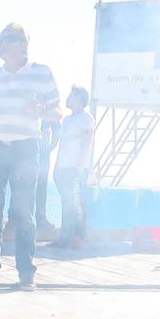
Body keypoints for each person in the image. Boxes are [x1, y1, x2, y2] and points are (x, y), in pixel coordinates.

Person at [0, 23, 61, 290]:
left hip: (26, 149)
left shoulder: (42, 74)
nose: (1, 44)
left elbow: (57, 112)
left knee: (22, 212)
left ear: (23, 44)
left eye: (7, 39)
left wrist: (41, 111)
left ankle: (26, 273)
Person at [52, 85, 94, 249]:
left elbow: (86, 141)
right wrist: (56, 166)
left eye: (71, 96)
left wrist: (80, 165)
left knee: (77, 203)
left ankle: (78, 238)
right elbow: (62, 144)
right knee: (65, 203)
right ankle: (64, 237)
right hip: (62, 166)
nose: (68, 98)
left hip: (76, 168)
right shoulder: (67, 119)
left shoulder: (87, 118)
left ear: (79, 100)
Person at [5, 118, 59, 237]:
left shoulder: (44, 108)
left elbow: (56, 130)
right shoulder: (31, 104)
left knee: (39, 186)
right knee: (18, 184)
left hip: (37, 151)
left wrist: (48, 149)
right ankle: (14, 220)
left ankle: (39, 219)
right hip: (24, 149)